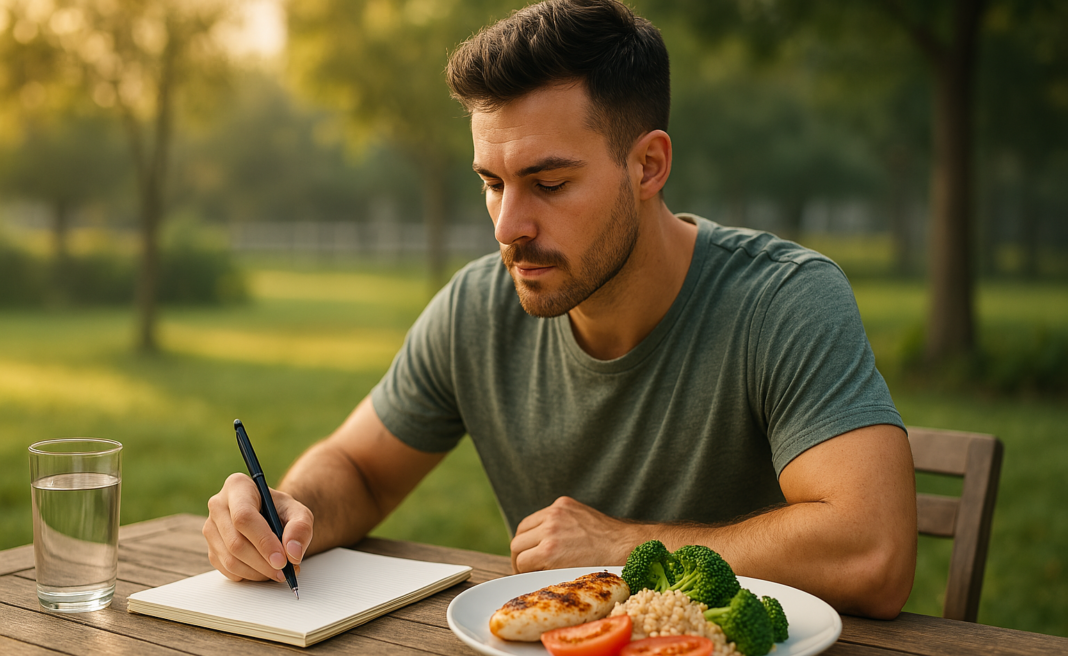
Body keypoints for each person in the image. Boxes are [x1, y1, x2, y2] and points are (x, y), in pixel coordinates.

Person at [203, 0, 916, 619]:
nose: (507, 226)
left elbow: (872, 553)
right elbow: (359, 469)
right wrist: (291, 511)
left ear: (648, 166)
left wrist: (624, 548)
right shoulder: (476, 311)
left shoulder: (784, 302)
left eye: (547, 183)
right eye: (492, 183)